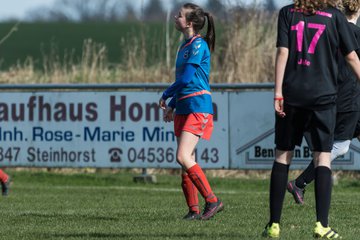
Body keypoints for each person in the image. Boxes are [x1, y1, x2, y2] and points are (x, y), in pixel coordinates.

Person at [262, 0, 360, 238]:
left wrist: (277, 91)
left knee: (283, 155)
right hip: (323, 97)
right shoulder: (334, 16)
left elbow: (282, 52)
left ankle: (274, 225)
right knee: (323, 158)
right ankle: (322, 225)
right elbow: (352, 58)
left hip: (292, 95)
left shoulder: (287, 13)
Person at [287, 0, 360, 206]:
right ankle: (300, 182)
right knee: (340, 147)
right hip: (348, 98)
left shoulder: (331, 29)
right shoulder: (353, 33)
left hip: (334, 94)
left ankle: (300, 183)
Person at [158, 3, 223, 221]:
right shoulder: (184, 46)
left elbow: (186, 79)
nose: (176, 17)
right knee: (186, 161)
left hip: (197, 106)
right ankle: (193, 210)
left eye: (180, 15)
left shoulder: (198, 45)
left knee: (182, 156)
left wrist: (166, 94)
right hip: (185, 106)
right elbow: (185, 82)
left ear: (190, 22)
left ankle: (213, 200)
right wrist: (174, 106)